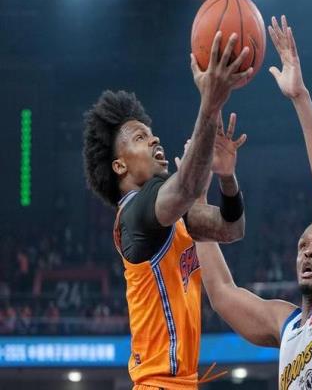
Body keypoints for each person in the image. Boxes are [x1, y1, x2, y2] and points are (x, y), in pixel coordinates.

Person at [195, 16, 312, 390]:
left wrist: (299, 97)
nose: (308, 251)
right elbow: (222, 294)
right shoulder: (285, 325)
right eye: (303, 245)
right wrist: (198, 198)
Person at [82, 32, 250, 390]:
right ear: (119, 166)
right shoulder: (135, 213)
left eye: (152, 134)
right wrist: (211, 102)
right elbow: (186, 186)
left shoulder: (171, 216)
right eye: (140, 138)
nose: (154, 139)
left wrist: (227, 177)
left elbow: (231, 229)